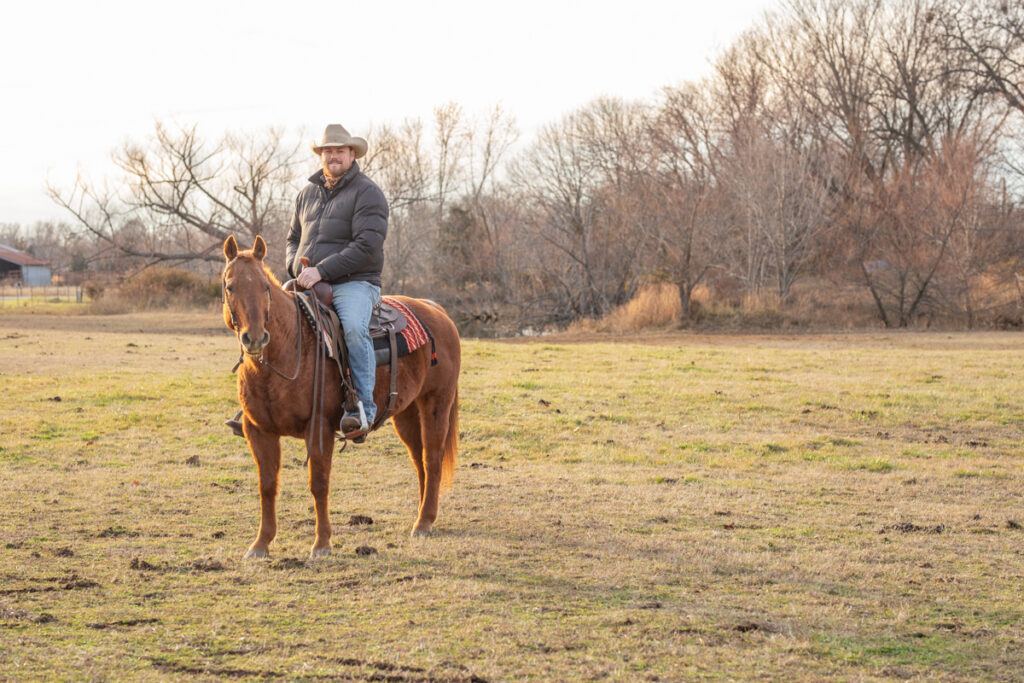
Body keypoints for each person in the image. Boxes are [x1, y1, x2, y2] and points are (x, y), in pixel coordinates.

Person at [288, 124, 389, 435]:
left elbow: (366, 246)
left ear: (351, 154)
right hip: (307, 280)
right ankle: (260, 403)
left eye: (339, 150)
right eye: (327, 150)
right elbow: (292, 239)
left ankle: (363, 409)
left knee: (355, 330)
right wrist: (296, 268)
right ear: (321, 155)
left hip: (354, 282)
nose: (333, 155)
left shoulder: (367, 192)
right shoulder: (306, 194)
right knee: (267, 318)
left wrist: (322, 271)